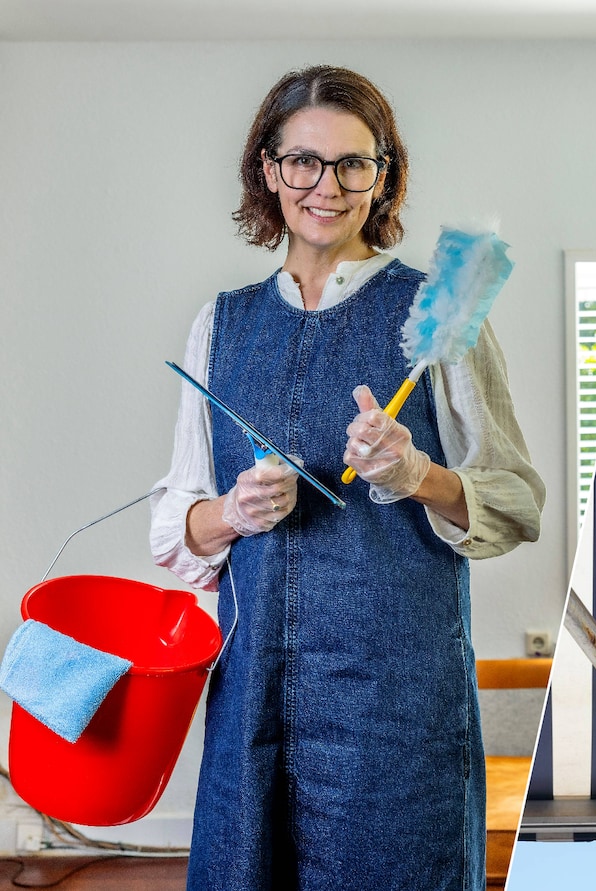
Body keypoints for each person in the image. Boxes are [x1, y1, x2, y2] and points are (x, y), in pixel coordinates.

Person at [150, 65, 545, 890]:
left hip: (395, 714)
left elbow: (516, 502)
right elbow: (175, 528)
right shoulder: (220, 324)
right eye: (303, 161)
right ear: (269, 169)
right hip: (254, 703)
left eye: (352, 163)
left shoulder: (441, 316)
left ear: (383, 173)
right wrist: (232, 511)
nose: (325, 187)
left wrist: (417, 471)